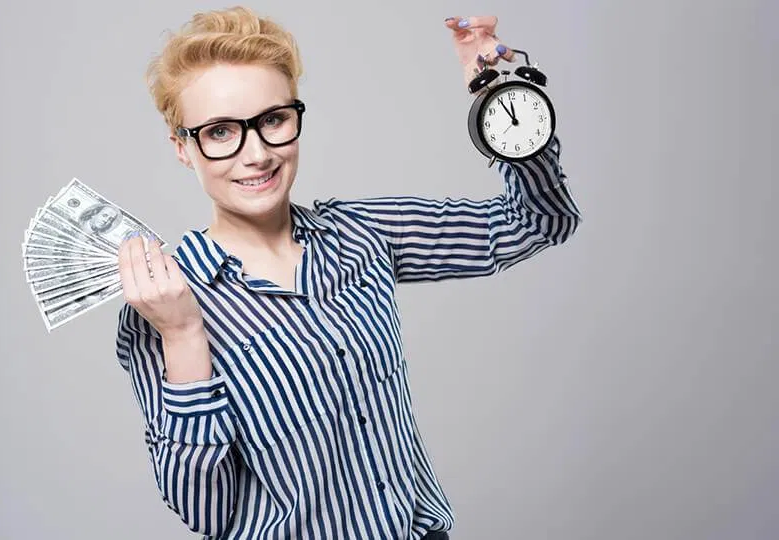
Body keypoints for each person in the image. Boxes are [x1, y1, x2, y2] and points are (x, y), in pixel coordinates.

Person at [114, 6, 581, 539]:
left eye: (273, 120)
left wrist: (498, 104)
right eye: (221, 132)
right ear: (183, 148)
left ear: (295, 117)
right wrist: (182, 335)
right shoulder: (166, 304)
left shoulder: (363, 234)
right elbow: (206, 511)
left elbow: (539, 222)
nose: (257, 153)